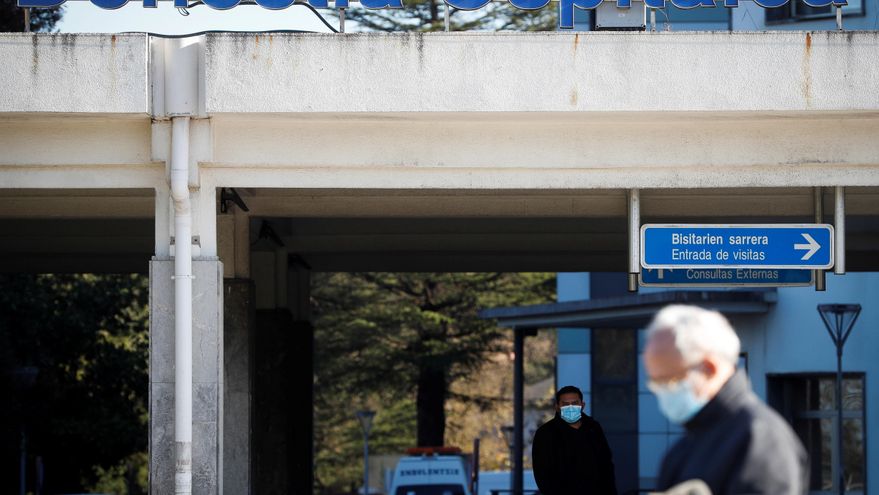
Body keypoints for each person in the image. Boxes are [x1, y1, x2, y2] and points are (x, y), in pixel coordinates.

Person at [643, 305, 809, 495]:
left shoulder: (760, 439)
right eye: (655, 382)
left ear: (709, 369)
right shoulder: (685, 447)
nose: (661, 392)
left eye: (669, 380)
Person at [531, 385, 617, 495]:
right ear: (557, 407)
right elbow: (542, 473)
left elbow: (606, 464)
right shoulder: (546, 433)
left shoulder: (593, 428)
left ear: (582, 405)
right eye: (565, 404)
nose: (570, 407)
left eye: (575, 403)